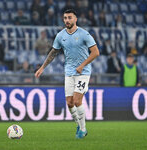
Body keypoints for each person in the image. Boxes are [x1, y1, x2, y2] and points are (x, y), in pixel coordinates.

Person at [35, 9, 99, 139]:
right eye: (65, 18)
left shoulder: (84, 34)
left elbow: (95, 52)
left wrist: (82, 65)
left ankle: (83, 129)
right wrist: (42, 67)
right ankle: (78, 124)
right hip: (69, 72)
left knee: (77, 100)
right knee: (70, 103)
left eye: (70, 17)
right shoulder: (60, 36)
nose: (67, 20)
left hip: (83, 72)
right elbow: (53, 52)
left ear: (75, 19)